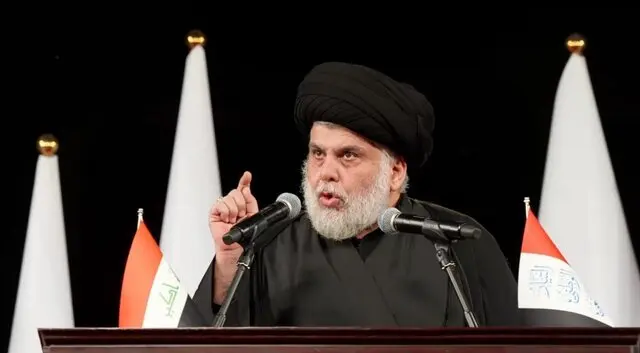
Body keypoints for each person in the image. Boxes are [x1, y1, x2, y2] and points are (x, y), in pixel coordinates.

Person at [190, 61, 522, 327]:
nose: (326, 172)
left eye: (348, 155)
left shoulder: (458, 242)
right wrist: (229, 262)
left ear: (395, 173)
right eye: (318, 154)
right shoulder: (272, 243)